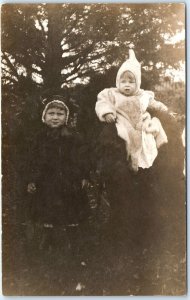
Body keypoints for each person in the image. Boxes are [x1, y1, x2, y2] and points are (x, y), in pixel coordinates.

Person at [25, 95, 89, 254]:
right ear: (44, 117)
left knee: (71, 208)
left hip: (69, 181)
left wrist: (84, 176)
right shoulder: (39, 138)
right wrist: (31, 180)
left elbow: (83, 158)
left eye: (60, 114)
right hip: (46, 182)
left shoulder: (74, 137)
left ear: (66, 117)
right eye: (51, 113)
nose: (55, 117)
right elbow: (32, 160)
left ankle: (73, 241)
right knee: (47, 209)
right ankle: (48, 239)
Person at [95, 48, 168, 172]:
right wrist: (107, 112)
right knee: (126, 136)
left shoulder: (142, 95)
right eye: (123, 81)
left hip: (141, 122)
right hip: (123, 121)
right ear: (118, 82)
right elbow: (102, 102)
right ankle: (132, 162)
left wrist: (164, 110)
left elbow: (154, 104)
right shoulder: (112, 93)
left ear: (137, 83)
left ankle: (146, 161)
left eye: (131, 82)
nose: (127, 85)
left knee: (148, 137)